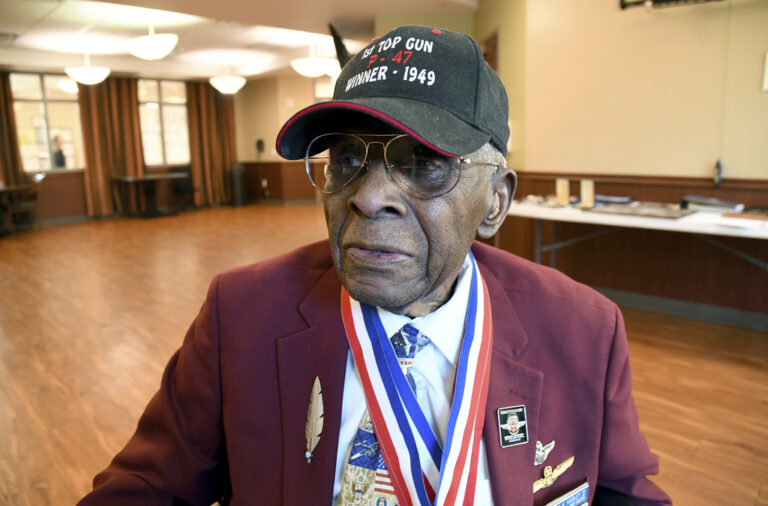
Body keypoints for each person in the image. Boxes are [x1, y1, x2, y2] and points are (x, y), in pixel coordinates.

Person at [78, 25, 671, 505]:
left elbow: (623, 493)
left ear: (495, 202)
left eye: (423, 162)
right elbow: (144, 490)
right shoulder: (240, 317)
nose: (368, 195)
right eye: (348, 159)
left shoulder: (584, 330)